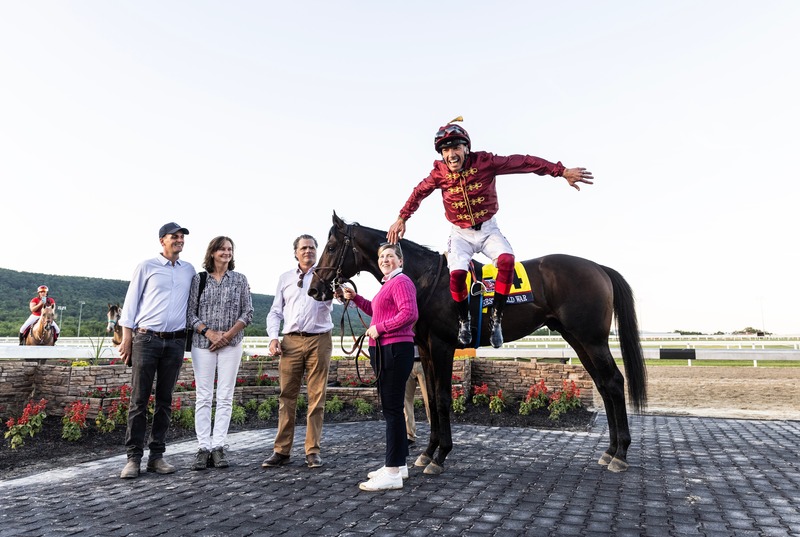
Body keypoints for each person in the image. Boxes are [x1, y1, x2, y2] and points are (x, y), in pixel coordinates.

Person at [387, 117, 594, 348]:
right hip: (460, 234)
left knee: (507, 261)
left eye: (456, 147)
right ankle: (464, 320)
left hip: (487, 229)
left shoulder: (486, 162)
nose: (451, 154)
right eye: (445, 150)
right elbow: (419, 193)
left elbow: (524, 163)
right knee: (456, 275)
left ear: (467, 147)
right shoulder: (439, 173)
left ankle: (497, 318)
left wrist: (561, 171)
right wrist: (402, 217)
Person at [117, 222, 196, 479]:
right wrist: (127, 339)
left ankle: (157, 457)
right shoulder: (146, 266)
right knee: (139, 400)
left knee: (165, 401)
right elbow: (130, 304)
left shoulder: (189, 270)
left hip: (175, 342)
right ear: (162, 240)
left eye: (182, 237)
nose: (180, 240)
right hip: (146, 340)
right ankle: (133, 459)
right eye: (175, 236)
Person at [341, 242, 419, 491]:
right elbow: (377, 311)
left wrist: (380, 329)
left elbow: (410, 313)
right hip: (386, 349)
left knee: (392, 409)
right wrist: (356, 299)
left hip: (393, 349)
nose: (385, 259)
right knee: (392, 408)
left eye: (390, 256)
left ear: (401, 261)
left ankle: (392, 471)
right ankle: (400, 465)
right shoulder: (388, 285)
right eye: (382, 256)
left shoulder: (402, 282)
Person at [262, 234, 333, 469]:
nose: (308, 251)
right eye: (303, 248)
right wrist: (273, 337)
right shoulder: (285, 278)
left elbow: (340, 299)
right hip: (290, 342)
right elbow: (275, 312)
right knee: (286, 397)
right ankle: (281, 451)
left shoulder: (327, 276)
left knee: (317, 397)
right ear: (295, 252)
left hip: (319, 340)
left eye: (312, 247)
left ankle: (312, 451)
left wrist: (340, 292)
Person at [187, 236, 254, 471]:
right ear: (213, 252)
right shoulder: (199, 279)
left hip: (231, 345)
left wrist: (226, 336)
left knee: (225, 396)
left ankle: (219, 447)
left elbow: (248, 312)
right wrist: (210, 334)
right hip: (202, 344)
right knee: (203, 397)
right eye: (222, 249)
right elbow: (190, 315)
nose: (226, 252)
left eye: (230, 249)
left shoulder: (240, 279)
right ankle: (203, 447)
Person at [404, 348, 430, 446]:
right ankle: (409, 434)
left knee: (430, 400)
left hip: (424, 362)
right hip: (406, 362)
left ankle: (436, 433)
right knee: (406, 401)